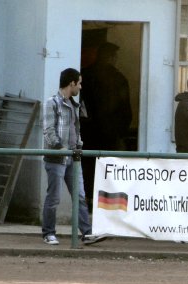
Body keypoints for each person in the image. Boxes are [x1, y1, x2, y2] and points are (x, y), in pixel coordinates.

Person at [42, 68, 103, 246]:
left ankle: (86, 233)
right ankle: (48, 233)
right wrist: (62, 148)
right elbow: (48, 131)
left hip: (73, 159)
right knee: (54, 197)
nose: (81, 87)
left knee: (80, 195)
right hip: (57, 158)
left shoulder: (74, 105)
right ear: (72, 83)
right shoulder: (51, 103)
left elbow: (76, 130)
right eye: (79, 83)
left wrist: (78, 146)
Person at [80, 42, 132, 208]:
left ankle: (88, 198)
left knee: (88, 167)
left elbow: (80, 105)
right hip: (110, 134)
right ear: (111, 57)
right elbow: (126, 110)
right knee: (110, 168)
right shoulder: (119, 78)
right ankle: (108, 203)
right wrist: (120, 131)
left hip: (88, 132)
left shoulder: (85, 75)